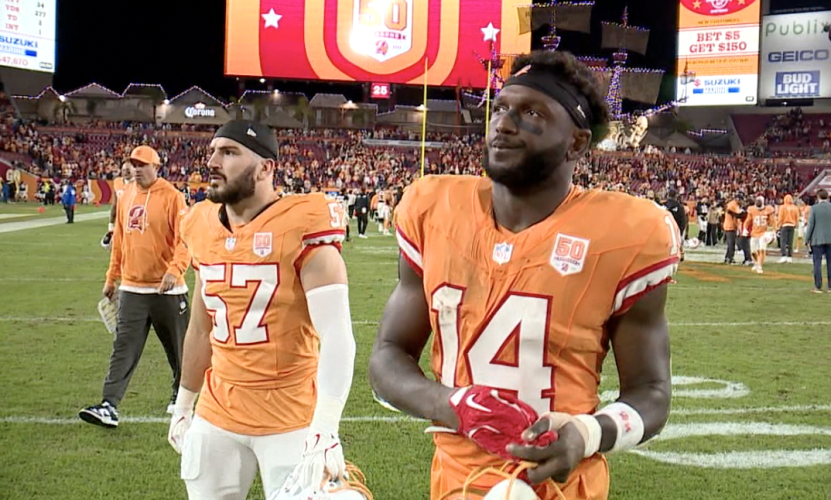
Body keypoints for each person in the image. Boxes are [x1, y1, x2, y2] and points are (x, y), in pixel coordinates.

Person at [369, 51, 678, 500]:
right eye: (501, 108)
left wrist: (587, 433)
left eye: (532, 113)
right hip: (454, 483)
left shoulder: (627, 233)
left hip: (563, 489)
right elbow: (387, 357)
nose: (504, 124)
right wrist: (450, 403)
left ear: (576, 143)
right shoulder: (434, 209)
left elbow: (651, 393)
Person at [166, 120, 356, 500]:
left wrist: (326, 425)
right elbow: (201, 329)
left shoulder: (302, 223)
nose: (213, 161)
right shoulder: (202, 224)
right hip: (218, 411)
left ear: (266, 168)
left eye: (229, 152)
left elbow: (337, 334)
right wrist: (184, 402)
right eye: (213, 151)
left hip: (290, 416)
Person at [79, 145, 191, 428]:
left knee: (179, 350)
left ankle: (181, 395)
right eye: (133, 164)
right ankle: (109, 404)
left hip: (167, 289)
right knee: (123, 348)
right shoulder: (126, 195)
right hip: (132, 288)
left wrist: (175, 270)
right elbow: (119, 241)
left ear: (156, 167)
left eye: (142, 165)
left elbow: (185, 239)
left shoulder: (173, 197)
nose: (136, 169)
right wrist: (111, 277)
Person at [102, 161, 135, 249]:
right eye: (124, 170)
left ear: (134, 170)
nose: (125, 172)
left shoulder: (139, 184)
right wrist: (111, 224)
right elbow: (114, 204)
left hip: (133, 221)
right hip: (120, 222)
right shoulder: (117, 182)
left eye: (128, 170)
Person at [805, 189, 831, 293]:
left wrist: (807, 239)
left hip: (817, 239)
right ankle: (830, 286)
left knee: (817, 263)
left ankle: (818, 286)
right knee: (830, 263)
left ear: (818, 197)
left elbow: (811, 224)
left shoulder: (814, 208)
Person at [746, 196, 775, 274]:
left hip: (764, 232)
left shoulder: (768, 209)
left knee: (762, 249)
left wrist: (774, 231)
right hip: (754, 232)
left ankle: (759, 266)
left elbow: (773, 221)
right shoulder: (752, 209)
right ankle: (757, 263)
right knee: (753, 252)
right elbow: (748, 220)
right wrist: (745, 228)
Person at [777, 194, 799, 263]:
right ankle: (790, 257)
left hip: (784, 225)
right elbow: (797, 217)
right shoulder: (795, 208)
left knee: (783, 241)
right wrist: (796, 224)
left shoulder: (782, 207)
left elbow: (780, 217)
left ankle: (784, 256)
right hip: (792, 225)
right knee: (790, 242)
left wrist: (779, 225)